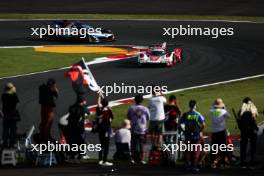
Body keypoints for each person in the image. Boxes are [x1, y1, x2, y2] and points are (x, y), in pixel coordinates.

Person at [180, 100, 205, 173]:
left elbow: (179, 124)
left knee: (187, 151)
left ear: (189, 106)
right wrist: (200, 130)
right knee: (196, 152)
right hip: (196, 136)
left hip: (187, 136)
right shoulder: (198, 114)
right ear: (195, 106)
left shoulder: (185, 114)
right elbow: (203, 124)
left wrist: (184, 131)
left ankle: (188, 166)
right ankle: (194, 167)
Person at [127, 95, 150, 164]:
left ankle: (132, 159)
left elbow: (128, 116)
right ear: (142, 101)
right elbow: (148, 117)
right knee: (142, 144)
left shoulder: (131, 108)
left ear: (135, 100)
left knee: (133, 144)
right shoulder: (145, 109)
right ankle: (142, 159)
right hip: (142, 129)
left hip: (134, 128)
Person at [208, 98, 230, 168]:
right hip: (222, 132)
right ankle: (222, 163)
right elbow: (229, 116)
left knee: (214, 147)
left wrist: (213, 107)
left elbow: (210, 113)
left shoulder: (211, 111)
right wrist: (224, 108)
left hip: (214, 132)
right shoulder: (223, 111)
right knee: (223, 147)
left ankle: (212, 162)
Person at [237, 97, 259, 168]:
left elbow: (239, 121)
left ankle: (243, 162)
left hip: (244, 131)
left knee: (243, 147)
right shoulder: (253, 110)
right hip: (252, 131)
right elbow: (254, 120)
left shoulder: (241, 111)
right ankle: (253, 161)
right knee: (253, 147)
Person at [38, 78, 58, 143]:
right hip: (49, 108)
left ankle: (42, 135)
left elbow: (41, 87)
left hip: (43, 107)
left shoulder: (41, 88)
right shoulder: (51, 89)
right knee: (48, 122)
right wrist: (54, 88)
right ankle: (46, 137)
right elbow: (57, 95)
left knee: (43, 121)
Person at [96, 93, 114, 166]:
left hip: (100, 129)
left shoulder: (99, 109)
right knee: (106, 145)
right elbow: (112, 118)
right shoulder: (108, 111)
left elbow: (98, 103)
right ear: (107, 104)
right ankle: (105, 160)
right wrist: (110, 110)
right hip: (106, 130)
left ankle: (100, 159)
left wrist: (99, 96)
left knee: (101, 144)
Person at [1, 83, 20, 148]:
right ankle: (12, 143)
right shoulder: (14, 96)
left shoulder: (4, 95)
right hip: (12, 115)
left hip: (6, 115)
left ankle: (5, 143)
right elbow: (16, 102)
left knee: (5, 130)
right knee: (13, 130)